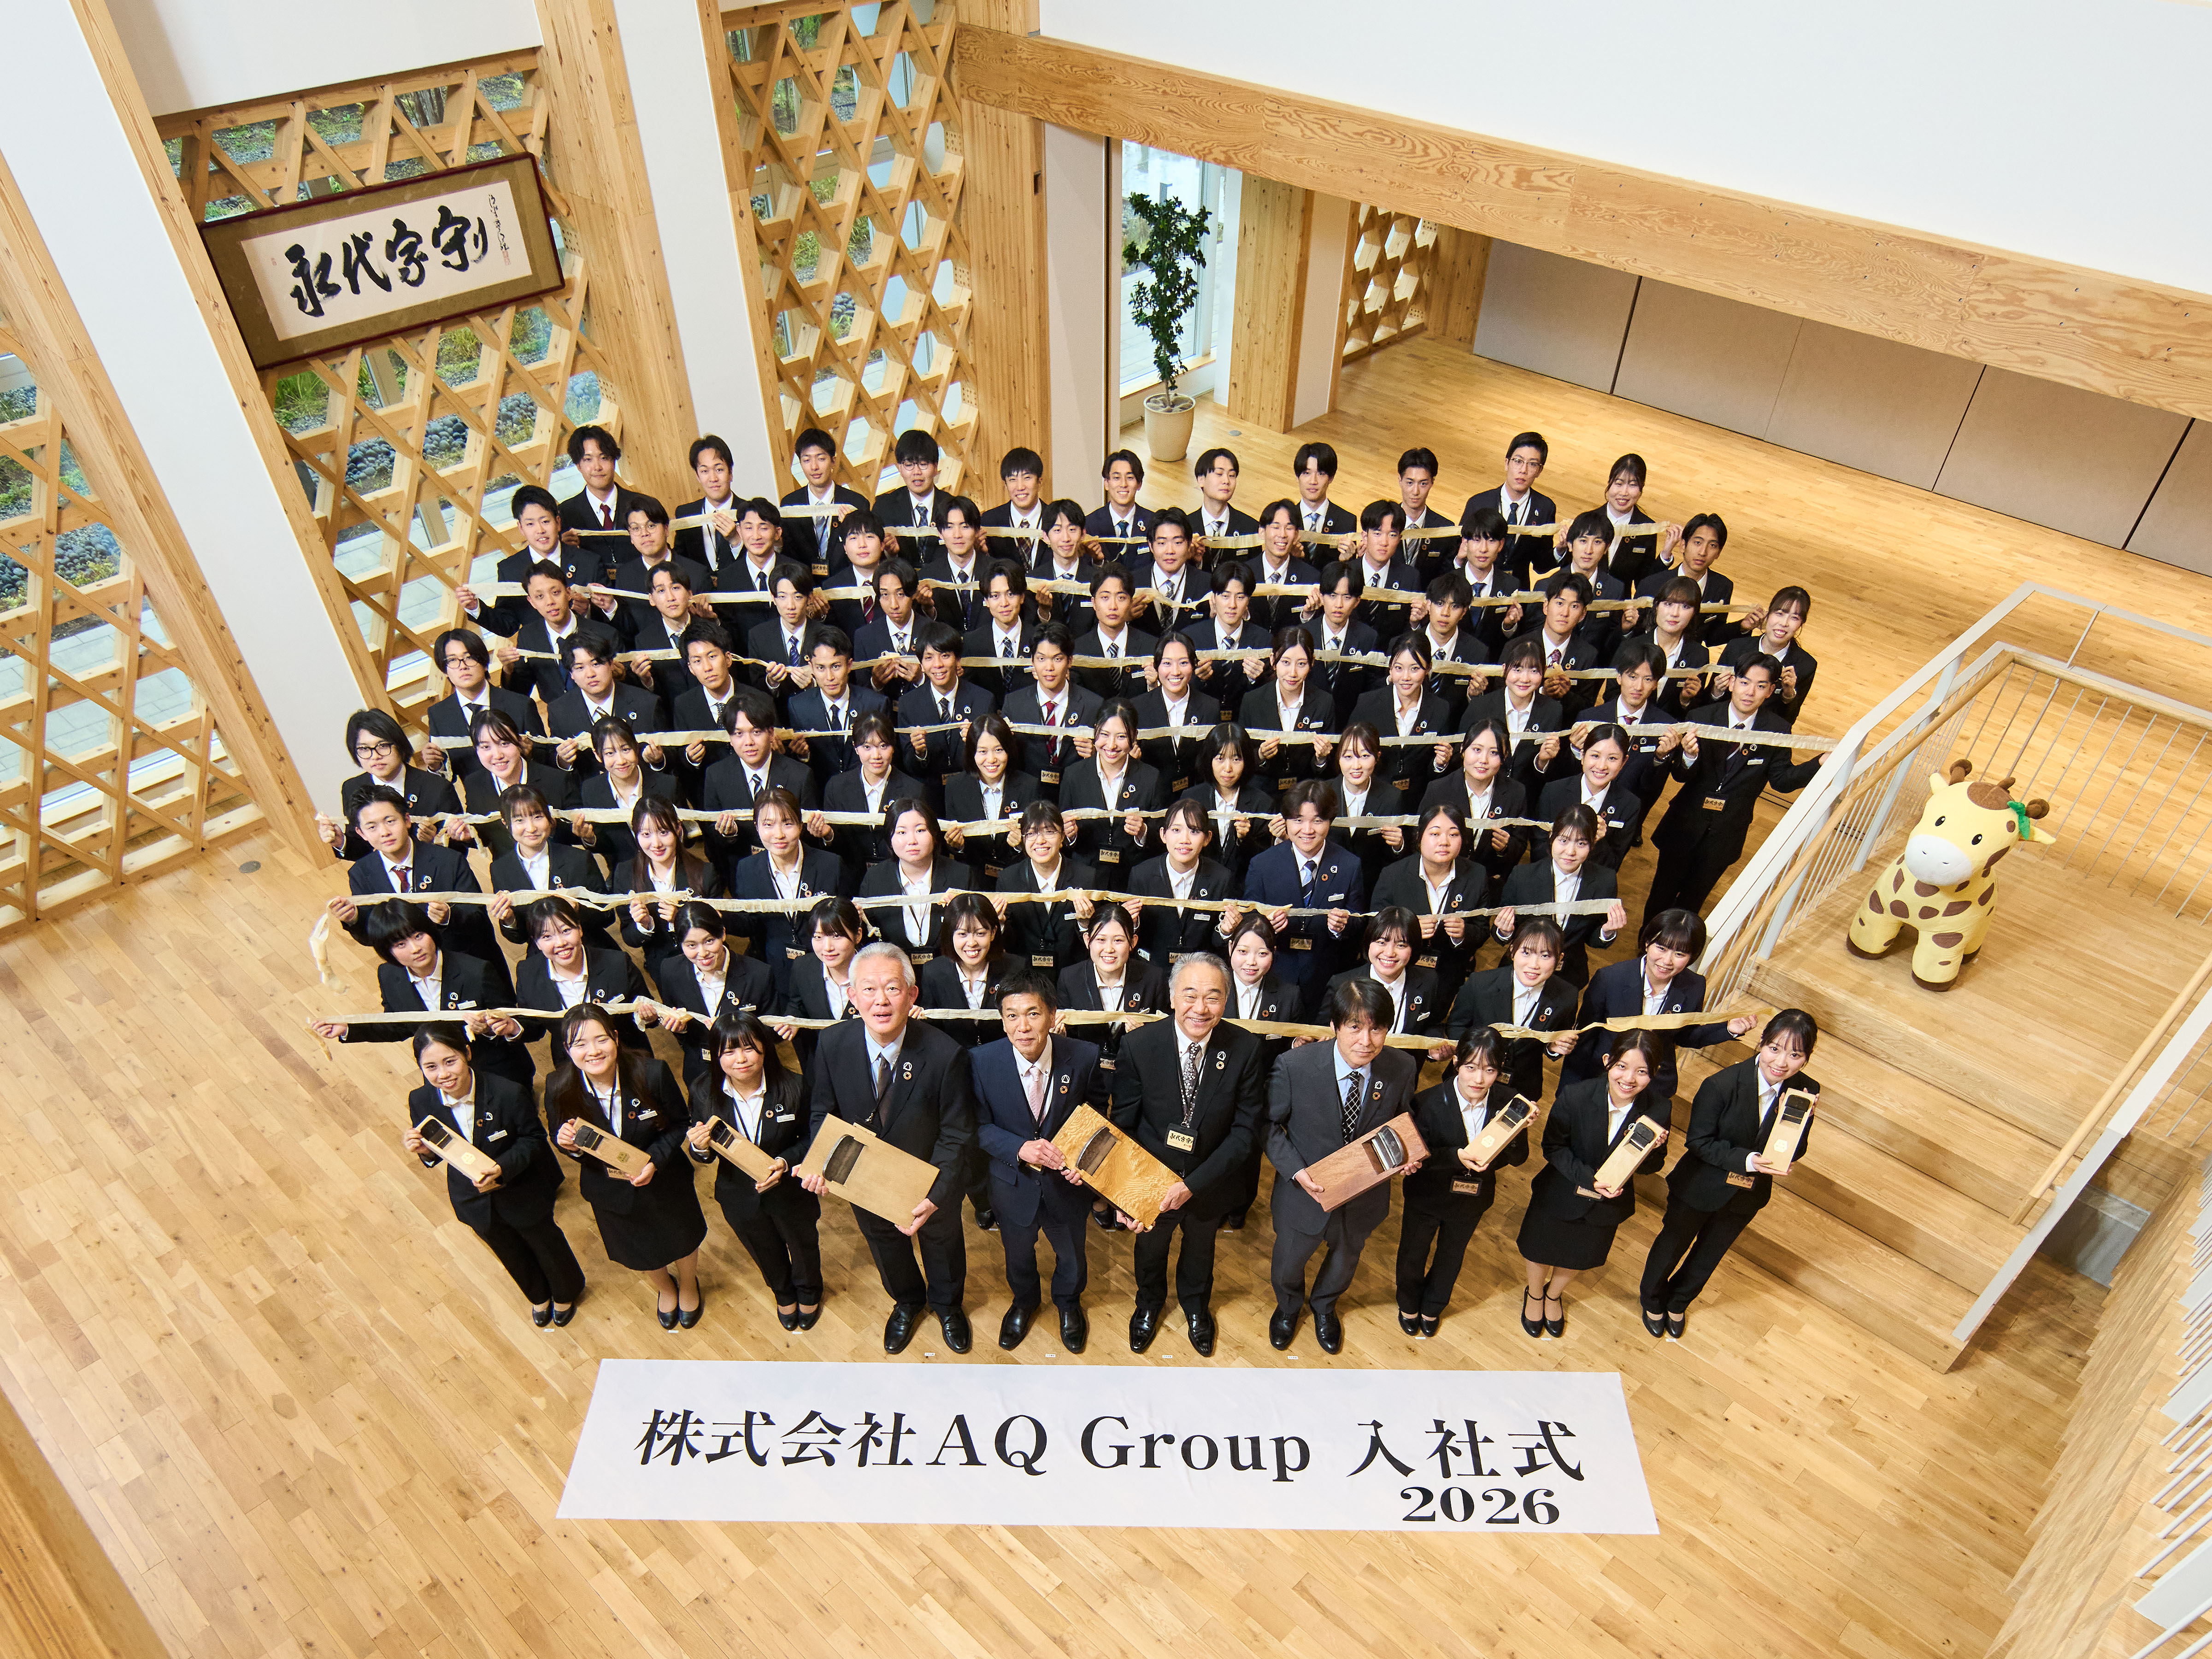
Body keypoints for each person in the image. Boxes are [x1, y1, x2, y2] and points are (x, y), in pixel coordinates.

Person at [801, 941, 977, 1353]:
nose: (880, 1000)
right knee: (884, 1244)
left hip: (930, 1181)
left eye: (893, 989)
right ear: (852, 995)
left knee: (943, 1245)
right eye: (869, 989)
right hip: (864, 1179)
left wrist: (936, 1194)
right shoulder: (832, 1044)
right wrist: (821, 1164)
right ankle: (907, 1302)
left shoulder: (946, 1054)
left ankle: (948, 1306)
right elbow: (823, 1113)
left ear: (912, 994)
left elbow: (957, 1133)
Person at [1109, 953, 1267, 1355]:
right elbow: (1124, 1126)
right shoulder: (1139, 1046)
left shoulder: (1245, 1049)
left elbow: (1245, 1133)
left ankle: (1196, 1307)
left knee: (1201, 1250)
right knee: (1150, 1250)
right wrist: (1124, 1193)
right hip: (1151, 1179)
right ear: (1172, 997)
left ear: (1226, 1000)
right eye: (1190, 995)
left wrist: (1193, 1185)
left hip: (1210, 1179)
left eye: (1213, 997)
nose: (1201, 1008)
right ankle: (1148, 1305)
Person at [1640, 1009, 1820, 1337]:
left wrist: (1798, 1122)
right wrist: (1749, 1161)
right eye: (1775, 1049)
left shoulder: (1806, 1089)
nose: (1782, 1062)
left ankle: (1679, 1302)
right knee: (1673, 1245)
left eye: (1795, 1055)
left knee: (1710, 1254)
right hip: (1699, 1186)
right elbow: (1699, 1142)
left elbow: (1795, 1150)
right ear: (1761, 1043)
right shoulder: (1720, 1085)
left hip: (1747, 1194)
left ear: (1807, 1058)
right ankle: (1652, 1300)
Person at [1264, 977, 1421, 1354]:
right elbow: (1268, 1125)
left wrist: (1407, 1155)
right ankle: (1288, 1308)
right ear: (1335, 1026)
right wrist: (1296, 1170)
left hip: (1364, 1197)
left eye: (1377, 1029)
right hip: (1305, 1193)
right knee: (1289, 1262)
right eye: (1354, 1027)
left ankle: (1324, 1307)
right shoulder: (1294, 1066)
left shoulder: (1402, 1067)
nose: (1366, 1041)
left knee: (1345, 1260)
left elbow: (1404, 1120)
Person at [401, 1024, 583, 1327]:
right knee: (507, 1250)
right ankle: (538, 1295)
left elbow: (533, 1139)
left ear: (467, 1053)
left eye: (450, 1062)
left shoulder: (507, 1092)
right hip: (473, 1198)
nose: (443, 1074)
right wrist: (425, 1152)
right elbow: (437, 1150)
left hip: (520, 1188)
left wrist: (501, 1168)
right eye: (431, 1067)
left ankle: (566, 1292)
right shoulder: (420, 1100)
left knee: (545, 1244)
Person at [971, 971, 1105, 1352]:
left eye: (1033, 1014)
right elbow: (976, 1127)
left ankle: (1069, 1303)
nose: (1023, 1026)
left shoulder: (1084, 1056)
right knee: (1017, 1254)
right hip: (1011, 1183)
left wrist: (1084, 1163)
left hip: (1067, 1184)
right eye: (1012, 1016)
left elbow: (1098, 1117)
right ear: (1002, 1021)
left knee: (1072, 1255)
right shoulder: (980, 1061)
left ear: (1052, 1016)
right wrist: (1018, 1148)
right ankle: (1024, 1302)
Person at [549, 1004, 707, 1328]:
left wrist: (654, 1161)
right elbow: (564, 1140)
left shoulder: (652, 1073)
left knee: (682, 1236)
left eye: (601, 1040)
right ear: (567, 1049)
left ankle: (689, 1283)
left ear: (616, 1038)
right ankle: (665, 1288)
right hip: (610, 1188)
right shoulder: (558, 1086)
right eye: (580, 1044)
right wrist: (569, 1147)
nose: (593, 1051)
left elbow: (680, 1123)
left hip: (665, 1179)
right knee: (640, 1247)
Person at [1642, 653, 1826, 925]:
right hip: (1685, 824)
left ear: (1771, 691)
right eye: (1745, 682)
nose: (1750, 692)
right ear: (1732, 683)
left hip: (1727, 832)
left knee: (1693, 901)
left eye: (1761, 686)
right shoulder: (1701, 717)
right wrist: (1689, 757)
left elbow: (1782, 781)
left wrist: (1819, 763)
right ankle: (1646, 942)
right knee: (1662, 893)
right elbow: (1680, 776)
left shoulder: (1777, 729)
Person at [1515, 1030, 1671, 1337]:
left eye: (1642, 1072)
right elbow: (1553, 1148)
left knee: (1581, 1253)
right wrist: (1592, 1179)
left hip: (1608, 1204)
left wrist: (1652, 1151)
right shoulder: (1575, 1095)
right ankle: (1535, 1293)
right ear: (1607, 1061)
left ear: (1654, 1074)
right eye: (1622, 1067)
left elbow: (1654, 1167)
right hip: (1561, 1190)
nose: (1629, 1079)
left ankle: (1554, 1295)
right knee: (1540, 1247)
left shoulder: (1659, 1108)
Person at [686, 1011, 825, 1331]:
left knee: (803, 1245)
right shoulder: (703, 1091)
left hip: (791, 1191)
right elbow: (703, 1154)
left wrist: (785, 1162)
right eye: (729, 1051)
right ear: (716, 1055)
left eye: (749, 1048)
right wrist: (700, 1147)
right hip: (738, 1193)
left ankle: (809, 1291)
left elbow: (813, 1139)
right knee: (763, 1248)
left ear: (765, 1047)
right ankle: (783, 1294)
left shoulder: (795, 1086)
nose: (740, 1059)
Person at [312, 904, 532, 1086]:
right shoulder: (389, 975)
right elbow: (398, 1024)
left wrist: (489, 1030)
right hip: (443, 1078)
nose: (415, 948)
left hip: (496, 1071)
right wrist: (348, 1029)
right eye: (401, 944)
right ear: (387, 952)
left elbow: (515, 1021)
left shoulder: (477, 971)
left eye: (418, 936)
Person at [1396, 1028, 1523, 1336]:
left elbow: (1520, 1157)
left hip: (1472, 1198)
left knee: (1452, 1255)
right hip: (1426, 1195)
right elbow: (1417, 1156)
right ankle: (1408, 1303)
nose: (1479, 1079)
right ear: (1456, 1063)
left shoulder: (1509, 1102)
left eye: (1490, 1070)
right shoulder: (1426, 1102)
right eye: (1471, 1067)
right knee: (1413, 1252)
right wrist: (1456, 1157)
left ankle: (1433, 1306)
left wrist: (1517, 1133)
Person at [1562, 909, 1753, 1108]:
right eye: (1661, 948)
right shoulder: (1610, 979)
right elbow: (1585, 1036)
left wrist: (1728, 1029)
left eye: (1679, 954)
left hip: (1655, 1084)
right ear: (1647, 943)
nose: (1667, 961)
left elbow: (1685, 1035)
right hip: (1605, 1076)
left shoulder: (1695, 985)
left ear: (1692, 957)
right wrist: (1569, 1091)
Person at [329, 784, 499, 965]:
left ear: (407, 820)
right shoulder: (361, 873)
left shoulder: (449, 860)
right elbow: (373, 937)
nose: (384, 833)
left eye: (390, 821)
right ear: (361, 833)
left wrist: (449, 917)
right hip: (411, 969)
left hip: (466, 960)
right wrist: (353, 920)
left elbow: (479, 919)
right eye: (372, 827)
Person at [1241, 778, 1364, 1012]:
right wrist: (1265, 927)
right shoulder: (1262, 865)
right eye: (1298, 820)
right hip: (1275, 977)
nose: (1307, 830)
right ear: (1285, 821)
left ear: (1330, 821)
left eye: (1317, 821)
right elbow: (1249, 921)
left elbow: (1359, 923)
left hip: (1327, 979)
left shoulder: (1349, 865)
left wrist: (1341, 927)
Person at [728, 785, 847, 1002]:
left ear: (801, 825)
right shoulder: (747, 869)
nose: (779, 835)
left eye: (788, 823)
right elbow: (749, 924)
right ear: (756, 827)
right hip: (776, 971)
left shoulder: (830, 865)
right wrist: (719, 917)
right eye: (768, 825)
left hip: (826, 970)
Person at [1444, 917, 1580, 1105]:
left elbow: (1554, 1041)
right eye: (1526, 953)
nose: (1534, 965)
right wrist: (1475, 1057)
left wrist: (1554, 1048)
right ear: (1513, 951)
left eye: (1545, 956)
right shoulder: (1480, 984)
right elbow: (1456, 1026)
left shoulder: (1567, 996)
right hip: (1470, 1080)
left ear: (1560, 959)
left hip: (1521, 1087)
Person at [1215, 913, 1296, 1230]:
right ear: (1230, 949)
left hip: (1259, 1092)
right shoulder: (1214, 987)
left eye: (1262, 953)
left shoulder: (1288, 995)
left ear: (1273, 955)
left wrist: (1297, 1044)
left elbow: (1288, 1051)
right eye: (1243, 951)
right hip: (1216, 1086)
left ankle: (1240, 1206)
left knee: (1249, 1153)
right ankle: (1213, 1203)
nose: (1251, 962)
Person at [1492, 804, 1626, 986]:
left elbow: (1593, 937)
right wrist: (1505, 932)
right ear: (1551, 837)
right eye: (1564, 840)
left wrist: (1607, 931)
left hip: (1568, 974)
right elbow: (1500, 932)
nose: (1570, 852)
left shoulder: (1605, 881)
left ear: (1592, 845)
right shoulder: (1522, 876)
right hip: (1522, 969)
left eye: (1581, 843)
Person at [652, 900, 778, 1090]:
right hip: (701, 1074)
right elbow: (683, 1034)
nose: (703, 953)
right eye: (691, 945)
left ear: (723, 934)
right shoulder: (670, 971)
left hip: (751, 1072)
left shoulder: (759, 973)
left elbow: (773, 1034)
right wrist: (680, 1029)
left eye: (709, 941)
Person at [1371, 802, 1485, 999]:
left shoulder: (1477, 875)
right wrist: (1409, 931)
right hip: (1399, 969)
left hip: (1449, 971)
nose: (1444, 842)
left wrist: (1463, 934)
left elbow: (1482, 930)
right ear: (1419, 837)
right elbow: (1374, 926)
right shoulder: (1393, 875)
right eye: (1435, 834)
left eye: (1453, 834)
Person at [512, 895, 654, 1049]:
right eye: (547, 937)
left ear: (580, 929)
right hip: (571, 1060)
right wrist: (512, 1028)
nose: (560, 943)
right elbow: (533, 1027)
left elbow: (649, 1012)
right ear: (537, 943)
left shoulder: (617, 963)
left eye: (566, 931)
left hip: (627, 1051)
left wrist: (648, 1017)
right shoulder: (527, 974)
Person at [700, 688, 818, 869]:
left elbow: (810, 836)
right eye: (739, 734)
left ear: (771, 733)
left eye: (756, 732)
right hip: (739, 871)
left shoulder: (800, 775)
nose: (749, 742)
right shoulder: (716, 775)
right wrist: (728, 835)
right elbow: (711, 840)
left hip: (792, 867)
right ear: (730, 738)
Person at [1418, 717, 1529, 908]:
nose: (1483, 760)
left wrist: (1505, 848)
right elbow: (1419, 837)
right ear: (1463, 749)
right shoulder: (1438, 789)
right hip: (1441, 885)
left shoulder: (1516, 793)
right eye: (1477, 750)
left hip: (1490, 888)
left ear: (1504, 757)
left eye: (1494, 753)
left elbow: (1520, 845)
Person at [619, 796, 726, 995]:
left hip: (708, 963)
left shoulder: (705, 873)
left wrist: (681, 919)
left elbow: (719, 927)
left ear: (678, 829)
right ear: (636, 835)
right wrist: (644, 925)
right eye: (646, 834)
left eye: (663, 832)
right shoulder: (625, 875)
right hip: (662, 969)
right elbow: (628, 936)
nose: (656, 843)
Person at [485, 784, 612, 949]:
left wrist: (577, 909)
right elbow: (520, 937)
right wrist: (510, 920)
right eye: (519, 820)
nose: (531, 828)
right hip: (543, 953)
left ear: (549, 818)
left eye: (538, 817)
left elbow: (607, 915)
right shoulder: (500, 870)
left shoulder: (579, 859)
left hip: (588, 945)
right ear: (506, 824)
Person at [325, 710, 459, 860]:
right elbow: (364, 849)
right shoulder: (352, 788)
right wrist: (341, 842)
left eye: (383, 746)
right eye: (364, 749)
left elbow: (459, 849)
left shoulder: (437, 788)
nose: (375, 756)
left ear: (400, 746)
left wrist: (435, 842)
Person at [1055, 901, 1164, 1082]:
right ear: (1087, 940)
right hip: (1086, 1077)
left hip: (1137, 1076)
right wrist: (1060, 1036)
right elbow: (1069, 1039)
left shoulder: (1153, 978)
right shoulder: (1070, 978)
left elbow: (1166, 1035)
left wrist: (1146, 1037)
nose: (1109, 949)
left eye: (1118, 940)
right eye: (1101, 940)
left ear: (1133, 942)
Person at [421, 630, 543, 784]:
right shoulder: (439, 715)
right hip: (478, 797)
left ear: (485, 664)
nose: (463, 666)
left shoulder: (521, 705)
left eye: (469, 658)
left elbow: (545, 758)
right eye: (452, 660)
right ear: (445, 670)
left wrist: (530, 754)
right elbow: (447, 779)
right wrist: (435, 767)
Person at [1349, 633, 1454, 809]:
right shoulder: (1368, 704)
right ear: (1390, 668)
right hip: (1373, 801)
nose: (1406, 677)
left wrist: (1440, 764)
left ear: (1428, 668)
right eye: (1399, 668)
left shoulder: (1440, 709)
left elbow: (1434, 772)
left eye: (1415, 669)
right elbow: (1349, 753)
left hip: (1418, 802)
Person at [1324, 906, 1449, 1053]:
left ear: (1413, 949)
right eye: (1382, 942)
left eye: (1401, 945)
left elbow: (1433, 1025)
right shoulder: (1341, 984)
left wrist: (1435, 1048)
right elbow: (1324, 1032)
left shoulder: (1429, 981)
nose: (1389, 953)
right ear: (1368, 943)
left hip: (1404, 1065)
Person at [1060, 699, 1160, 878]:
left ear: (1134, 736)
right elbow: (1064, 836)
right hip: (1085, 876)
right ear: (1095, 731)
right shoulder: (1074, 775)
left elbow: (1161, 836)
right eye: (1105, 735)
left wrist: (1143, 832)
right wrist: (1069, 835)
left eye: (1121, 737)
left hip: (1131, 876)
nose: (1112, 745)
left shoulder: (1151, 777)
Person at [1129, 797, 1233, 968]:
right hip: (1151, 970)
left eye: (1194, 832)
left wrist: (1225, 931)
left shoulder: (1221, 878)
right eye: (1176, 830)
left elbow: (1217, 943)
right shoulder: (1141, 875)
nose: (1185, 839)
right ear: (1163, 835)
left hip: (1200, 972)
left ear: (1207, 838)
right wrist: (1132, 923)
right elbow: (1134, 937)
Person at [858, 798, 964, 966]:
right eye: (901, 832)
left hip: (949, 971)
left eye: (920, 830)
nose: (912, 840)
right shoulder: (875, 879)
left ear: (935, 834)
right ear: (890, 838)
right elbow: (867, 938)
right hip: (893, 972)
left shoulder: (961, 875)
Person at [457, 708, 572, 862]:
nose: (498, 755)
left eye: (504, 743)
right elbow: (484, 835)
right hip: (509, 872)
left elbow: (574, 833)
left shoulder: (555, 779)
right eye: (486, 747)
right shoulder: (474, 784)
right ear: (476, 750)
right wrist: (468, 836)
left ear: (519, 742)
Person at [994, 802, 1095, 972]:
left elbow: (1096, 941)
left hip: (1072, 973)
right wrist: (1000, 924)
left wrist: (1086, 924)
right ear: (1023, 839)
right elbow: (1008, 944)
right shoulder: (1009, 880)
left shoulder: (1086, 877)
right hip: (1024, 975)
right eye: (1031, 833)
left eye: (1049, 832)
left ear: (1062, 836)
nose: (1040, 841)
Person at [1002, 624, 1100, 797]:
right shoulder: (1014, 704)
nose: (1049, 667)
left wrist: (1096, 754)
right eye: (1041, 659)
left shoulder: (1094, 704)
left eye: (1057, 659)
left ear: (1070, 661)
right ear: (1032, 661)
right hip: (1030, 797)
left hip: (1077, 794)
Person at [574, 717, 680, 875]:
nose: (621, 761)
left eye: (626, 750)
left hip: (671, 870)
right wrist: (590, 838)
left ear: (636, 747)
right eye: (610, 753)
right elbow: (606, 845)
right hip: (625, 875)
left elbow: (687, 838)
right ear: (598, 755)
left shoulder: (667, 785)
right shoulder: (591, 790)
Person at [783, 626, 886, 789]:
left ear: (849, 665)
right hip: (822, 793)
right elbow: (797, 767)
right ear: (811, 668)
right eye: (821, 668)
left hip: (866, 791)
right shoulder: (799, 707)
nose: (829, 677)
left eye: (836, 666)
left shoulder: (875, 704)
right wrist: (804, 756)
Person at [942, 712, 1036, 890]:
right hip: (974, 882)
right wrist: (957, 846)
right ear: (972, 753)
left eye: (999, 750)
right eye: (983, 752)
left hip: (1017, 881)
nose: (991, 760)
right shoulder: (955, 787)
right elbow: (954, 850)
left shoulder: (1029, 786)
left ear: (1009, 750)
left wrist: (1021, 845)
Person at [1238, 626, 1337, 795]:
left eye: (1301, 664)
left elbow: (1328, 768)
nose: (1293, 673)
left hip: (1306, 794)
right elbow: (1242, 756)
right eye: (1286, 662)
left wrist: (1321, 759)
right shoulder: (1252, 701)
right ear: (1273, 661)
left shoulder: (1324, 702)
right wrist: (1261, 755)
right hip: (1263, 794)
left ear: (1312, 663)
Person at [821, 711, 920, 876]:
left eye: (883, 746)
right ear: (856, 748)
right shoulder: (836, 788)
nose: (876, 756)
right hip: (851, 877)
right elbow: (836, 848)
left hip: (898, 876)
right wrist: (828, 835)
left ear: (894, 747)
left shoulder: (914, 790)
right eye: (867, 747)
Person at [1535, 722, 1643, 871]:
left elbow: (1613, 865)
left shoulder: (1630, 805)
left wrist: (1598, 841)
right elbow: (1538, 851)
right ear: (1582, 755)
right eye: (1595, 756)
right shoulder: (1553, 791)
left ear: (1624, 762)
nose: (1602, 766)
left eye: (1612, 758)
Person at [1183, 723, 1275, 887]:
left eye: (1236, 759)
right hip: (1199, 888)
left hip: (1245, 889)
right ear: (1209, 760)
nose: (1228, 768)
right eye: (1220, 758)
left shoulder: (1263, 803)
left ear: (1247, 761)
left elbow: (1266, 861)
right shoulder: (1191, 798)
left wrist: (1244, 840)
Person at [1460, 430, 1557, 582]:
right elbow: (1461, 551)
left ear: (1540, 470)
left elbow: (1541, 566)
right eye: (1518, 461)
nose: (1523, 470)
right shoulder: (1478, 503)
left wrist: (1561, 549)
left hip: (1518, 590)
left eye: (1532, 464)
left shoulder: (1545, 507)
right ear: (1507, 463)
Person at [557, 426, 649, 582]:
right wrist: (563, 550)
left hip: (641, 586)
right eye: (588, 459)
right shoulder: (566, 513)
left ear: (614, 461)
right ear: (578, 466)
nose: (597, 467)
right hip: (592, 592)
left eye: (604, 458)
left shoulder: (642, 505)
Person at [1133, 631, 1220, 796]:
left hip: (1197, 796)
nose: (1176, 672)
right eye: (1167, 663)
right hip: (1154, 797)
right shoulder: (1138, 708)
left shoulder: (1210, 707)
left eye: (1183, 663)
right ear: (1157, 666)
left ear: (1193, 666)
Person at [783, 895, 866, 1067]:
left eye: (836, 936)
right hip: (823, 1064)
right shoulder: (803, 968)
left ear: (858, 935)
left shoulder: (876, 970)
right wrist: (793, 1019)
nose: (827, 948)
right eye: (818, 937)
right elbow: (797, 1004)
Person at [775, 426, 870, 574]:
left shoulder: (856, 503)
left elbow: (867, 553)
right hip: (804, 583)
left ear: (833, 461)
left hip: (845, 582)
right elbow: (787, 552)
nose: (814, 467)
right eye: (807, 460)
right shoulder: (790, 504)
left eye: (821, 459)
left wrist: (850, 527)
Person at [1717, 585, 1818, 723]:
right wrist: (1717, 691)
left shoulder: (1806, 665)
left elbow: (1788, 721)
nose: (1784, 623)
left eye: (1794, 618)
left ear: (1801, 624)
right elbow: (1709, 702)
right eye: (1780, 614)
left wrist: (1788, 696)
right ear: (1768, 614)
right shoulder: (1737, 647)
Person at [918, 891, 1012, 1020]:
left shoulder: (1015, 970)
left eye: (980, 933)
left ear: (993, 933)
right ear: (951, 935)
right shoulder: (933, 972)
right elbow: (932, 1024)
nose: (972, 943)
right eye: (962, 934)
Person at [1073, 563, 1155, 702]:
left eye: (1121, 598)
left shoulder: (1151, 647)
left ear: (1131, 602)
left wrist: (1154, 686)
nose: (1113, 606)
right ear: (1094, 603)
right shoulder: (1078, 651)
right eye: (1105, 598)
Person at [962, 557, 1036, 700]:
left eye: (1011, 594)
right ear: (986, 601)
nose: (1004, 603)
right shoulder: (972, 643)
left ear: (1022, 597)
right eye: (995, 596)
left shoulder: (1038, 639)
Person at [1247, 499, 1322, 634]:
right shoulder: (1245, 574)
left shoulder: (1311, 578)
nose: (1282, 535)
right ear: (1262, 532)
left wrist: (1307, 616)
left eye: (1289, 528)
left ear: (1297, 534)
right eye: (1276, 527)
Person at [875, 429, 948, 562]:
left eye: (923, 464)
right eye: (909, 465)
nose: (917, 472)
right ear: (900, 469)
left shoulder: (952, 507)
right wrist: (891, 554)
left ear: (936, 467)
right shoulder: (884, 507)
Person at [1084, 449, 1154, 549]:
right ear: (1106, 483)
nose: (1123, 484)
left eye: (1130, 478)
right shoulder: (1089, 525)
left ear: (1140, 484)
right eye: (1117, 478)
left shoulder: (1153, 523)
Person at [1290, 440, 1356, 538]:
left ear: (1331, 478)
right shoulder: (1285, 520)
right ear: (1297, 476)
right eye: (1307, 473)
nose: (1313, 481)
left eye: (1321, 474)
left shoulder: (1346, 521)